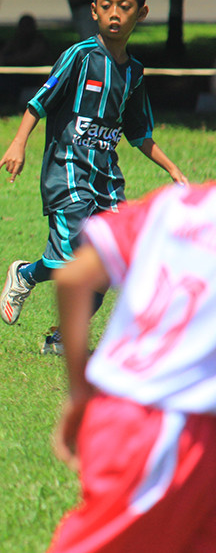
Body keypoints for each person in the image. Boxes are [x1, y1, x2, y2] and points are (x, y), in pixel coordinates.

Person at [0, 0, 187, 355]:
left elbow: (138, 133)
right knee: (72, 259)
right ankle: (26, 274)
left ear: (142, 12)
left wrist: (172, 169)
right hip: (67, 171)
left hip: (106, 178)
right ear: (95, 10)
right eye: (107, 5)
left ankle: (61, 337)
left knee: (109, 266)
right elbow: (40, 102)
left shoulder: (133, 72)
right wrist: (19, 143)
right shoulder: (80, 57)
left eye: (125, 6)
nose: (115, 13)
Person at [47, 182, 216, 552]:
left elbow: (74, 276)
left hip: (131, 416)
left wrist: (79, 390)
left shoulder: (175, 204)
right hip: (166, 424)